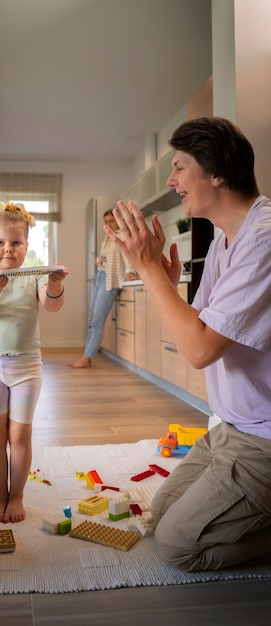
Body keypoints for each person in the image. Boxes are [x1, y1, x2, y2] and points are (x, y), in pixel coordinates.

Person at [105, 116, 271, 572]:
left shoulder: (264, 239)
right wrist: (162, 276)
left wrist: (151, 273)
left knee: (180, 546)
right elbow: (197, 327)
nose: (172, 180)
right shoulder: (222, 243)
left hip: (264, 440)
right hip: (232, 430)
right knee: (162, 515)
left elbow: (198, 352)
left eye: (179, 167)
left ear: (216, 172)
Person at [0, 202, 68, 524]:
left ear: (27, 246)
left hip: (26, 369)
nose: (8, 249)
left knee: (20, 436)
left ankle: (17, 496)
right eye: (0, 243)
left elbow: (51, 307)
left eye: (16, 243)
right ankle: (0, 494)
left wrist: (54, 284)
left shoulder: (35, 275)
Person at [69, 209, 135, 368]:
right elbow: (107, 258)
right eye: (106, 221)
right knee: (92, 319)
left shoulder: (122, 235)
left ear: (118, 221)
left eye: (111, 221)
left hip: (111, 280)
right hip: (100, 277)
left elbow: (128, 255)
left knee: (97, 319)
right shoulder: (107, 238)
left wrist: (129, 272)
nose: (108, 224)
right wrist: (99, 261)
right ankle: (87, 355)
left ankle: (87, 358)